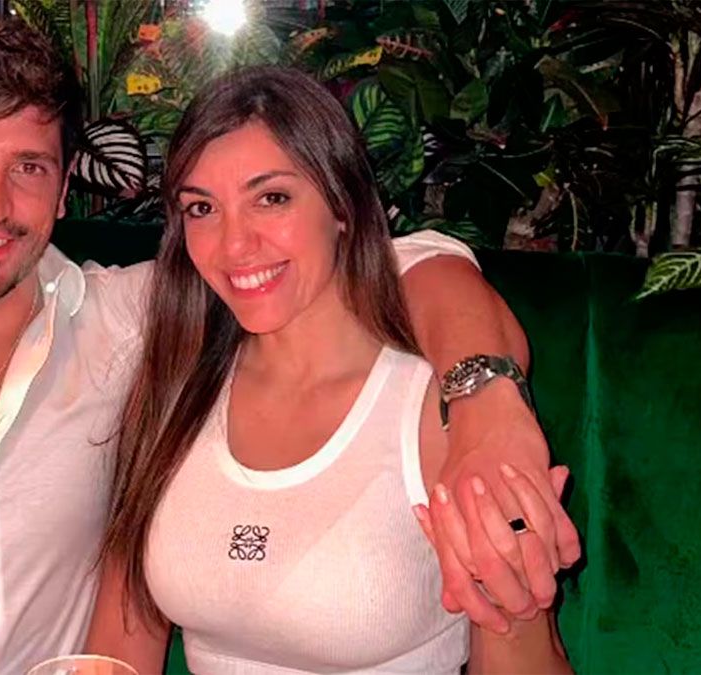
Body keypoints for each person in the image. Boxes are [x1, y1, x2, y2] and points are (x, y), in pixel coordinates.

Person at [0, 11, 574, 675]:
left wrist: (486, 397)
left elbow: (404, 261)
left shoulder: (128, 328)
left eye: (29, 167)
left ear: (62, 189)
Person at [86, 66, 573, 673]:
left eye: (272, 198)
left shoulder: (433, 405)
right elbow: (120, 641)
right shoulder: (176, 382)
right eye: (202, 208)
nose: (234, 245)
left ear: (341, 205)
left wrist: (515, 586)